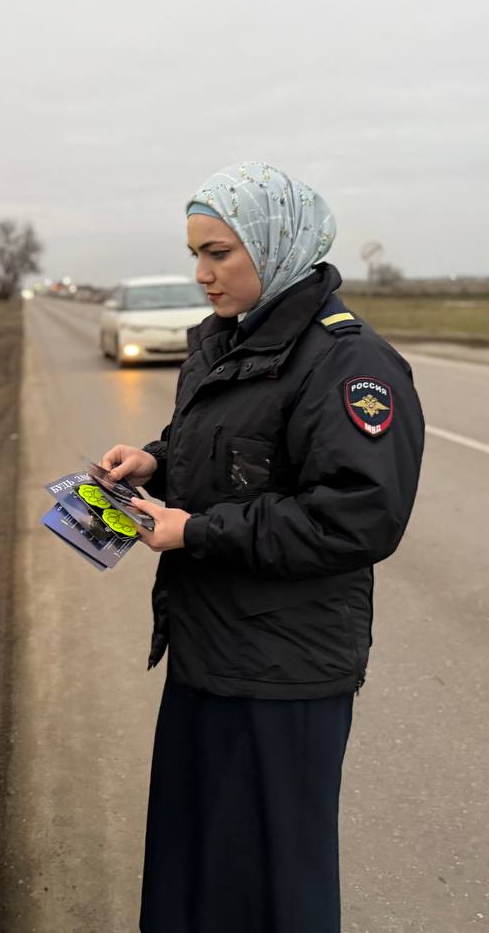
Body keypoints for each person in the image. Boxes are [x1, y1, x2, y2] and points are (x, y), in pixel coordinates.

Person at [101, 162, 425, 933]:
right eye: (195, 254)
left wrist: (197, 530)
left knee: (277, 877)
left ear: (276, 248)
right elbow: (222, 446)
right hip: (210, 649)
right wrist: (154, 458)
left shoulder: (350, 363)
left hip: (286, 670)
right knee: (200, 856)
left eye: (218, 253)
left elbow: (358, 518)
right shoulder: (224, 341)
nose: (202, 274)